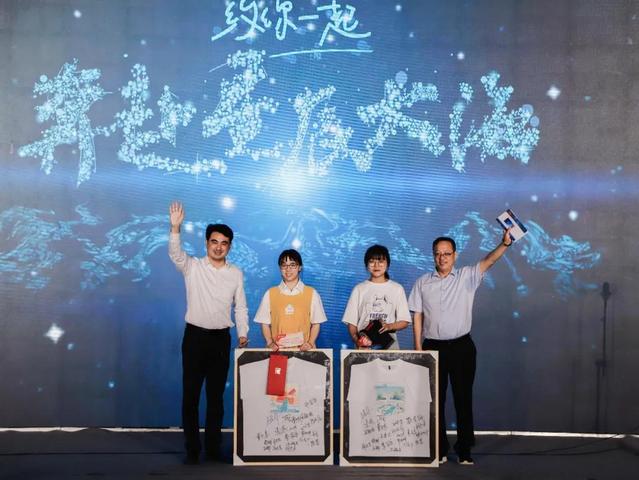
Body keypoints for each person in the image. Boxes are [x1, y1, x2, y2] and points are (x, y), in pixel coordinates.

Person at [408, 228, 513, 465]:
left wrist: (504, 244)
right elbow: (417, 315)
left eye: (447, 253)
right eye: (438, 253)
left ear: (455, 255)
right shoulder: (422, 282)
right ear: (433, 256)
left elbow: (489, 260)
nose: (442, 258)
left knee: (463, 398)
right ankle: (440, 449)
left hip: (462, 347)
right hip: (432, 347)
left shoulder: (467, 276)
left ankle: (464, 449)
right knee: (435, 400)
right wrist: (418, 347)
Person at [168, 201, 249, 465]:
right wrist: (175, 228)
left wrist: (243, 333)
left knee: (216, 398)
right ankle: (192, 449)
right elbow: (175, 254)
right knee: (190, 396)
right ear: (206, 243)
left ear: (229, 246)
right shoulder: (192, 266)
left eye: (224, 243)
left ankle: (213, 449)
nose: (218, 247)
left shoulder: (235, 273)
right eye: (214, 241)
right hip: (194, 338)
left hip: (221, 340)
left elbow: (241, 306)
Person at [254, 249, 327, 350]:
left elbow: (316, 323)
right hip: (278, 352)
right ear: (280, 268)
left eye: (292, 265)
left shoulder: (312, 293)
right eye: (284, 265)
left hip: (304, 352)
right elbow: (264, 322)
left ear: (300, 267)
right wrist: (270, 342)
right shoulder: (270, 293)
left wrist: (310, 343)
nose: (288, 269)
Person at [342, 244, 411, 349]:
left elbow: (404, 321)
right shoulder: (359, 289)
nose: (376, 265)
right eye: (372, 261)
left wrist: (389, 326)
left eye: (380, 261)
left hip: (388, 344)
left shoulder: (397, 288)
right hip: (364, 344)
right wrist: (358, 341)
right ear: (366, 264)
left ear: (387, 264)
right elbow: (351, 321)